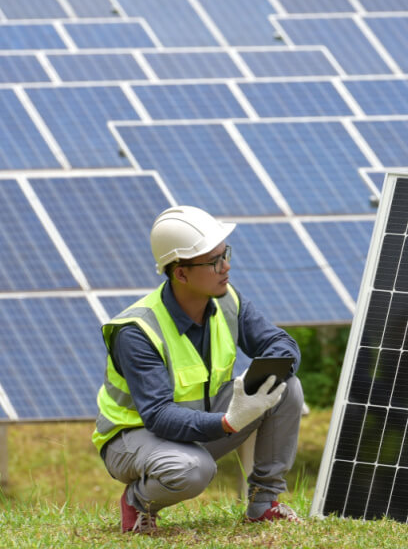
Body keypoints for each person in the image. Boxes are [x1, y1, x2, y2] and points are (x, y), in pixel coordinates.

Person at [92, 205, 304, 533]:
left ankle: (264, 502)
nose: (226, 267)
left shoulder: (228, 301)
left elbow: (282, 345)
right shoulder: (136, 331)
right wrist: (228, 422)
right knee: (193, 470)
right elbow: (159, 416)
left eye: (225, 254)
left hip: (199, 426)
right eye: (214, 261)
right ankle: (137, 501)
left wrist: (262, 378)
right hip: (133, 439)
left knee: (286, 387)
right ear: (181, 273)